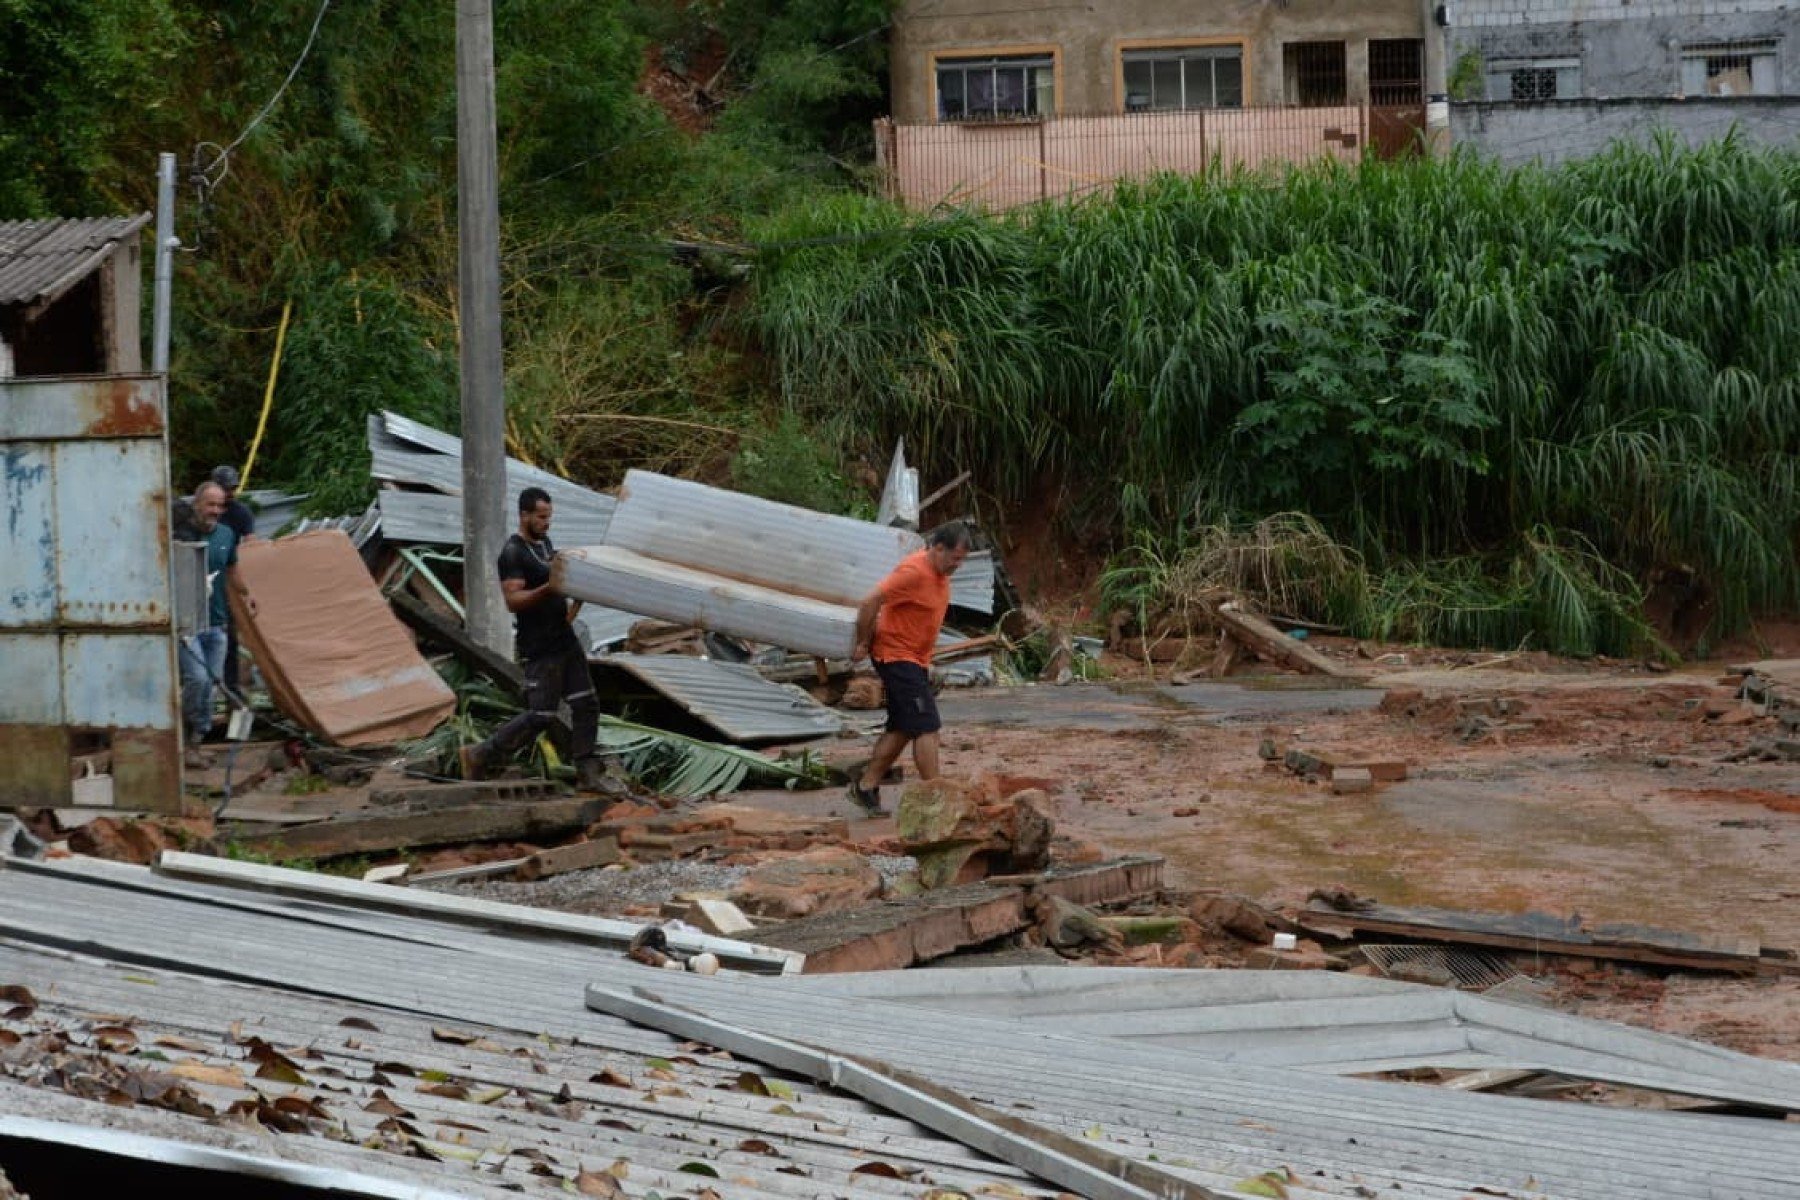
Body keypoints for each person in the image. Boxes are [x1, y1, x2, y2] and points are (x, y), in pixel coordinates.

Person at [459, 487, 609, 791]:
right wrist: (549, 588)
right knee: (541, 715)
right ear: (524, 515)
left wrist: (576, 592)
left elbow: (558, 584)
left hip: (563, 639)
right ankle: (480, 754)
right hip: (539, 646)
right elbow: (513, 600)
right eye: (541, 517)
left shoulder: (545, 545)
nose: (546, 522)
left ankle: (587, 774)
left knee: (586, 704)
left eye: (549, 517)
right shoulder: (512, 553)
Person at [848, 520, 973, 815]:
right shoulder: (915, 571)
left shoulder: (940, 574)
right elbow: (870, 601)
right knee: (927, 726)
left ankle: (865, 786)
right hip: (895, 656)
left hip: (913, 660)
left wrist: (925, 662)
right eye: (955, 558)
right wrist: (862, 643)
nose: (958, 566)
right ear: (938, 548)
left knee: (903, 726)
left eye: (962, 560)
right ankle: (936, 798)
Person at [172, 480, 239, 768]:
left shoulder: (226, 534)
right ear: (196, 504)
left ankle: (195, 743)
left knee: (211, 683)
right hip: (187, 625)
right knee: (197, 678)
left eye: (219, 505)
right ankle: (184, 743)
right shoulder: (180, 536)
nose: (214, 510)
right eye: (209, 504)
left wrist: (245, 600)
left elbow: (232, 572)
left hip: (217, 623)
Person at [210, 465, 254, 690]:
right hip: (205, 579)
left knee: (228, 636)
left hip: (228, 579)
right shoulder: (201, 511)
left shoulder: (240, 514)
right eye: (224, 489)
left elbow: (250, 544)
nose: (229, 494)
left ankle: (231, 687)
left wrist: (245, 590)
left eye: (231, 489)